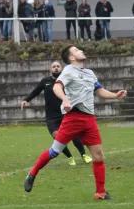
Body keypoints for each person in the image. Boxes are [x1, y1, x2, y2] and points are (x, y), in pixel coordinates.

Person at [24, 45, 127, 200]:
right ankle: (32, 173)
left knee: (98, 155)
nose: (81, 51)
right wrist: (65, 99)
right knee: (55, 152)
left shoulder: (90, 73)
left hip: (89, 119)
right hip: (73, 117)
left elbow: (99, 90)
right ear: (72, 58)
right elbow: (57, 87)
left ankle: (101, 193)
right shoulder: (68, 71)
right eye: (77, 50)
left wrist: (115, 96)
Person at [21, 61, 93, 166]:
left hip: (65, 113)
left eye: (58, 66)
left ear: (61, 69)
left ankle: (83, 155)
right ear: (50, 69)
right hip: (51, 116)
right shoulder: (45, 81)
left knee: (73, 135)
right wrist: (26, 100)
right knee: (57, 136)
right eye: (54, 66)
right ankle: (70, 157)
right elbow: (36, 91)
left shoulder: (66, 81)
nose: (56, 68)